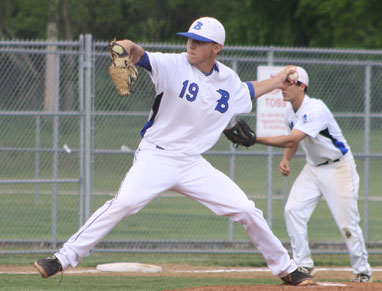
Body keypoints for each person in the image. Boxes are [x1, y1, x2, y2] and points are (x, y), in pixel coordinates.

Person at [34, 17, 315, 286]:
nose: (191, 44)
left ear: (216, 48)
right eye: (190, 38)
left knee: (246, 209)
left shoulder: (227, 79)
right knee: (124, 203)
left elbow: (247, 91)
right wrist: (122, 49)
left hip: (192, 163)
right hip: (157, 155)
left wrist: (278, 81)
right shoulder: (172, 64)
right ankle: (62, 258)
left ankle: (287, 269)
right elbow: (133, 50)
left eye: (199, 41)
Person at [256, 66, 372, 283]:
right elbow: (295, 140)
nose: (283, 87)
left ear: (302, 86)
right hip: (313, 167)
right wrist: (286, 159)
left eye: (289, 83)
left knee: (347, 223)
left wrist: (256, 138)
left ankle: (362, 270)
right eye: (284, 83)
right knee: (293, 210)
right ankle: (304, 264)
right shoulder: (290, 112)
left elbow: (291, 138)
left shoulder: (315, 108)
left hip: (338, 168)